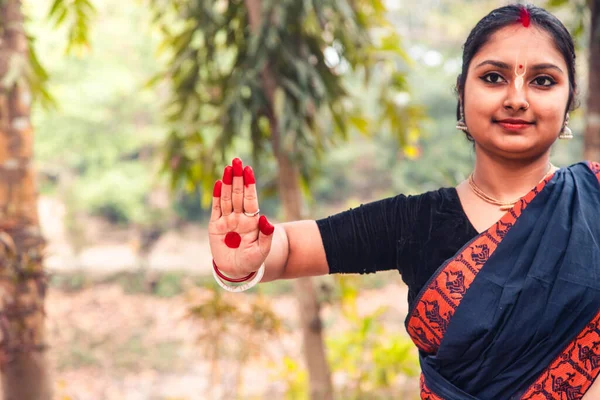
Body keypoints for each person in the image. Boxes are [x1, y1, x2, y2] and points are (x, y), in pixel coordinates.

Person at [208, 4, 600, 399]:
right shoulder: (413, 222)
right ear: (462, 94)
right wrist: (239, 261)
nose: (517, 99)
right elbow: (289, 248)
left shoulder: (595, 199)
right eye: (494, 77)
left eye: (543, 81)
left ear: (570, 100)